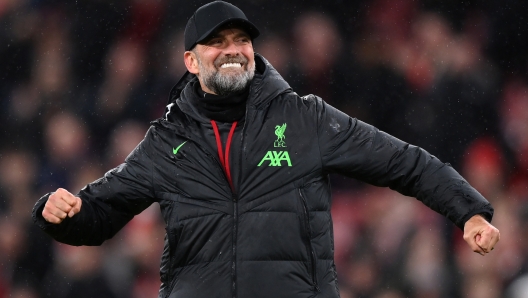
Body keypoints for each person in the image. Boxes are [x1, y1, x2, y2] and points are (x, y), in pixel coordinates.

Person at [32, 1, 500, 297]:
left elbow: (404, 163)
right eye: (217, 43)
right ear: (191, 62)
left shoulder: (306, 117)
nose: (233, 49)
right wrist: (62, 213)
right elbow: (99, 216)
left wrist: (469, 212)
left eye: (241, 40)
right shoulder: (167, 139)